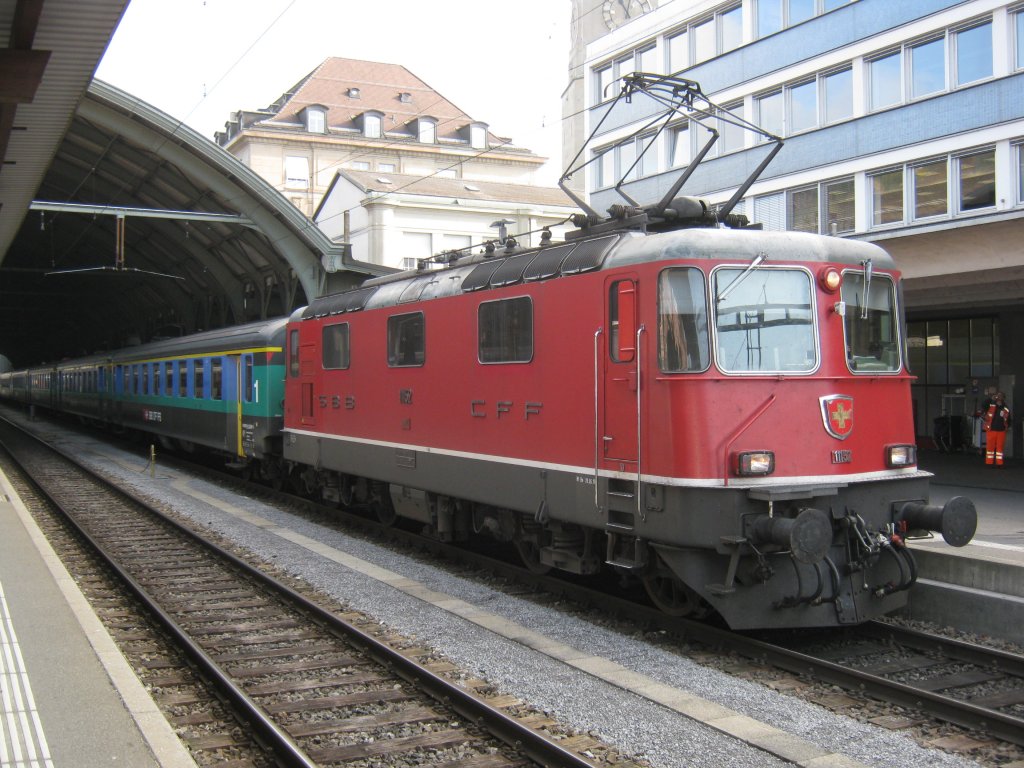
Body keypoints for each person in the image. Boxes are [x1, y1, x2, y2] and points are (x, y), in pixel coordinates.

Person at [983, 392, 1011, 467]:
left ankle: (999, 463)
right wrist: (990, 399)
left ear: (1003, 398)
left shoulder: (1006, 408)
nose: (999, 397)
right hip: (991, 429)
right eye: (998, 395)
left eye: (1001, 396)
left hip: (1001, 431)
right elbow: (984, 405)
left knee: (1000, 448)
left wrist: (1008, 426)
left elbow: (1008, 418)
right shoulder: (990, 404)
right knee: (990, 447)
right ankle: (989, 463)